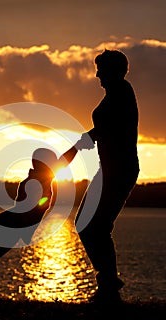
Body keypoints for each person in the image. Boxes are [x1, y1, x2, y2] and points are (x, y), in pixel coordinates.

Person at [64, 49, 140, 304]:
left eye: (102, 69)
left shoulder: (122, 91)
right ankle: (108, 283)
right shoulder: (113, 95)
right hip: (107, 169)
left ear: (116, 70)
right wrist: (80, 144)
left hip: (120, 169)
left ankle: (108, 285)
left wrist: (81, 143)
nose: (97, 74)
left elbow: (112, 128)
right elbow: (103, 129)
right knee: (87, 224)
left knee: (94, 225)